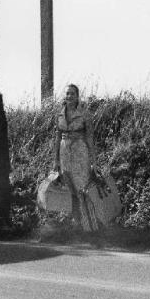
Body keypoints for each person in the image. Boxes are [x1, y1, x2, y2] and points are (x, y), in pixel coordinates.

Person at [52, 84, 99, 231]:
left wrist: (93, 160)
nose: (69, 96)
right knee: (71, 188)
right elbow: (57, 137)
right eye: (67, 93)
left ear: (78, 96)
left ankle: (90, 227)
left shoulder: (85, 114)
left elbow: (90, 138)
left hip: (80, 153)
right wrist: (56, 160)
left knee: (83, 187)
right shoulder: (60, 114)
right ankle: (77, 224)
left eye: (72, 94)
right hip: (64, 153)